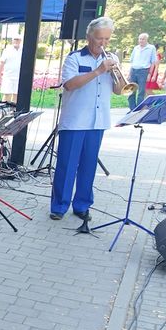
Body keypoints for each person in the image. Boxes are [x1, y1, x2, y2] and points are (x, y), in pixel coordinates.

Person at [50, 17, 117, 221]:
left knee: (89, 165)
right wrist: (98, 71)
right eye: (99, 39)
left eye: (106, 39)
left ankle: (82, 205)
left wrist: (119, 77)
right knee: (67, 165)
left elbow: (119, 90)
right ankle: (59, 206)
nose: (103, 43)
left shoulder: (112, 58)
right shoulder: (75, 58)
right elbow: (70, 85)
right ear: (89, 37)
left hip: (98, 121)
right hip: (75, 120)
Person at [127, 33, 158, 110]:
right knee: (131, 91)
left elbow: (153, 62)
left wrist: (150, 74)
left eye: (143, 39)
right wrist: (129, 74)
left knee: (141, 92)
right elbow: (132, 62)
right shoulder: (136, 48)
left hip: (143, 71)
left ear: (146, 40)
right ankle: (132, 109)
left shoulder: (151, 48)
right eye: (140, 39)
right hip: (134, 70)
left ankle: (138, 109)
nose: (141, 41)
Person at [0, 36, 23, 103]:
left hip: (19, 76)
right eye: (15, 39)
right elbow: (2, 62)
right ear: (12, 41)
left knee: (16, 95)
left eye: (17, 39)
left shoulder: (23, 50)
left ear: (20, 41)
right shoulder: (7, 50)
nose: (16, 41)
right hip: (8, 76)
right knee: (7, 95)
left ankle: (14, 111)